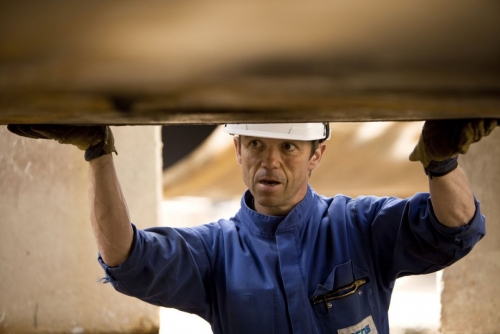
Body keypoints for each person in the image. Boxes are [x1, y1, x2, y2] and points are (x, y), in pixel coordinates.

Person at [7, 120, 497, 334]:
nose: (271, 161)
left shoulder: (359, 225)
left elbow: (452, 229)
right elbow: (127, 260)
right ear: (237, 149)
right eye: (257, 145)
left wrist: (441, 163)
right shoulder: (213, 252)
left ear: (315, 155)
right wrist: (98, 154)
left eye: (288, 147)